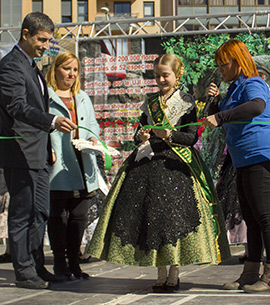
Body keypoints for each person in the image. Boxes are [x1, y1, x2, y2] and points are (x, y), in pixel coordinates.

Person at [88, 53, 230, 293]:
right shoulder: (149, 101)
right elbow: (138, 133)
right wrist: (141, 136)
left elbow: (191, 137)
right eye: (157, 75)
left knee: (173, 220)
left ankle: (174, 272)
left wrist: (169, 135)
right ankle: (160, 272)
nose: (161, 79)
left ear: (177, 75)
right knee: (151, 219)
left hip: (176, 167)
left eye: (165, 75)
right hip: (148, 165)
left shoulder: (186, 102)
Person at [0, 12, 76, 289]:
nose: (46, 45)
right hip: (19, 151)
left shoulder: (31, 65)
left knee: (41, 211)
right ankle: (23, 271)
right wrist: (52, 120)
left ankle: (37, 266)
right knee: (22, 213)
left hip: (38, 152)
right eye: (42, 40)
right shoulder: (11, 66)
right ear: (25, 34)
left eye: (49, 40)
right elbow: (17, 107)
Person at [204, 39, 270, 293]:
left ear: (237, 62)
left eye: (223, 64)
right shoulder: (234, 89)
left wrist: (220, 116)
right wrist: (215, 102)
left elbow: (257, 106)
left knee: (265, 218)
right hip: (242, 159)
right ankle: (249, 273)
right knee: (252, 220)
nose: (220, 69)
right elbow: (220, 116)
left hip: (259, 155)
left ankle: (268, 275)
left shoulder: (254, 83)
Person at [46, 52, 100, 280]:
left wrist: (94, 139)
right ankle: (60, 264)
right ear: (55, 69)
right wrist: (46, 149)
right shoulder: (45, 97)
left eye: (75, 70)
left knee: (79, 215)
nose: (71, 74)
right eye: (67, 68)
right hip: (58, 165)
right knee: (58, 217)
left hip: (83, 161)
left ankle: (74, 262)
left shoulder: (83, 97)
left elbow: (93, 125)